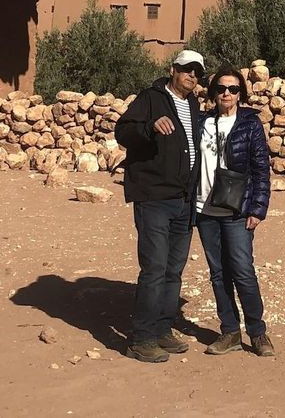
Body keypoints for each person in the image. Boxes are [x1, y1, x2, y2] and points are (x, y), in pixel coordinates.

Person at [115, 48, 207, 363]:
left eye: (197, 72)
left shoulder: (193, 104)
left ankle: (162, 329)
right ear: (172, 70)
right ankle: (141, 339)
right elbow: (122, 131)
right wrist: (149, 127)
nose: (192, 75)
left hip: (183, 200)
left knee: (173, 270)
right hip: (154, 198)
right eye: (187, 69)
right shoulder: (151, 99)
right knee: (154, 269)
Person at [196, 68, 274, 357]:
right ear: (213, 92)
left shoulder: (249, 124)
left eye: (232, 89)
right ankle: (229, 331)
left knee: (242, 271)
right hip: (204, 209)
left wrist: (258, 208)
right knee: (218, 274)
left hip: (237, 210)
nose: (226, 93)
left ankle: (257, 332)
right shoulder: (202, 122)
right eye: (221, 88)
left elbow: (261, 169)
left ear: (240, 93)